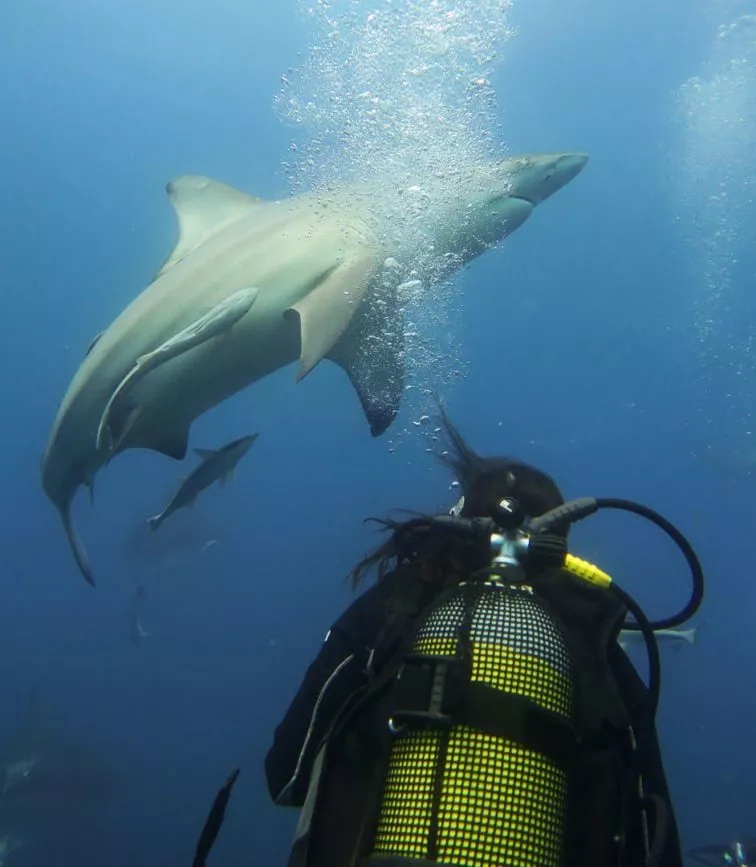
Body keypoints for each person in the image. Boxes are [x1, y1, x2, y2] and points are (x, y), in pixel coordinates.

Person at [265, 412, 693, 867]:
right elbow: (651, 839)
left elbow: (287, 774)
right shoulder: (592, 639)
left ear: (460, 522)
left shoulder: (400, 606)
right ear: (560, 548)